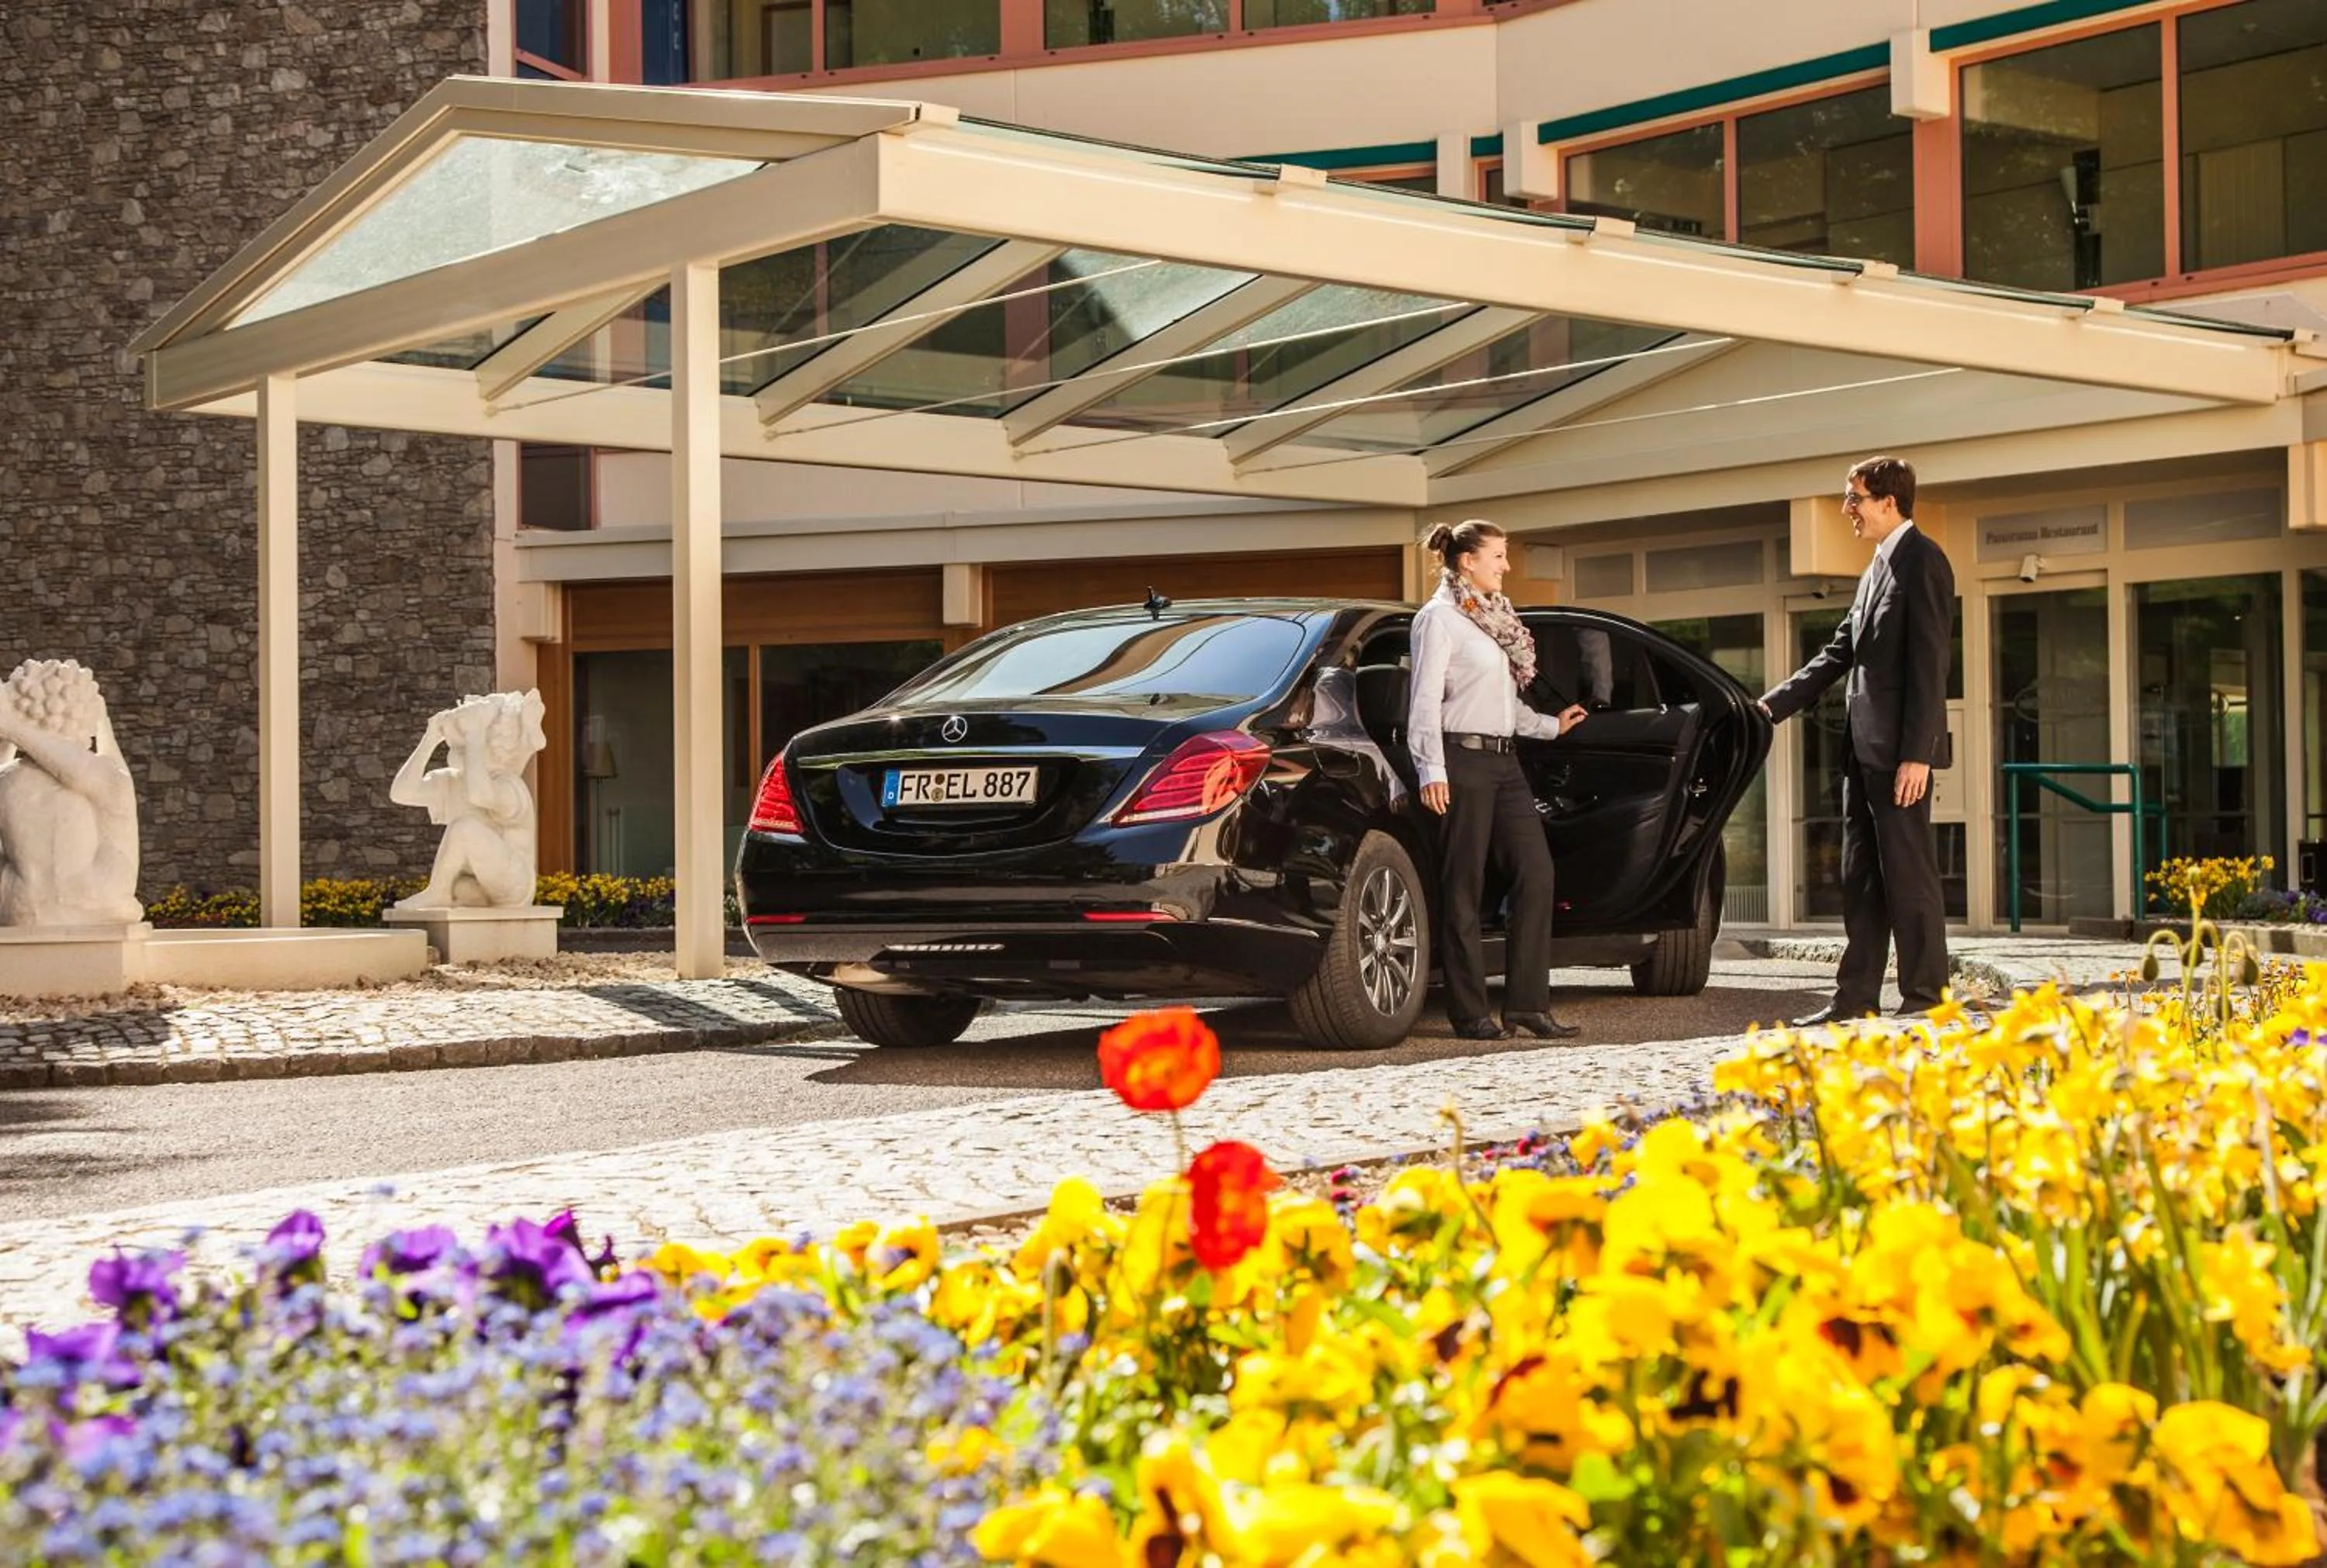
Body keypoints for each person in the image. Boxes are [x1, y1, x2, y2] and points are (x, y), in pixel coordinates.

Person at [1760, 456, 1955, 1024]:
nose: (1848, 509)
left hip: (1900, 757)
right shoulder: (1875, 569)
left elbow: (1929, 664)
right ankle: (1856, 999)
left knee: (1910, 878)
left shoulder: (1924, 561)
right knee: (1861, 880)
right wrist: (1771, 706)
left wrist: (1918, 754)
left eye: (1855, 498)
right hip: (1862, 754)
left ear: (1888, 502)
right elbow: (1839, 652)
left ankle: (1925, 999)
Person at [1408, 519, 1589, 1042]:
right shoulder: (1438, 619)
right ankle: (1469, 1014)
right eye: (1499, 556)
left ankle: (1527, 1007)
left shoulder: (1492, 618)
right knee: (1463, 886)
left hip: (1505, 763)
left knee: (1537, 873)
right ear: (1468, 561)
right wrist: (1431, 769)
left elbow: (1502, 704)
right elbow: (1423, 700)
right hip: (1459, 759)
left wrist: (1548, 726)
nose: (1507, 566)